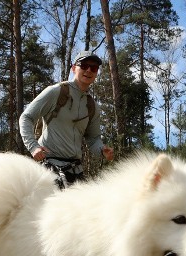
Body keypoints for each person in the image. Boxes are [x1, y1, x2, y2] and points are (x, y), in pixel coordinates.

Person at [19, 50, 114, 188]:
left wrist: (102, 149)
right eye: (84, 65)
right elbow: (26, 117)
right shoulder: (56, 91)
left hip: (76, 172)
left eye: (93, 68)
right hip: (48, 169)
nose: (88, 70)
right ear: (74, 68)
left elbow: (93, 139)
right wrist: (33, 147)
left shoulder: (92, 106)